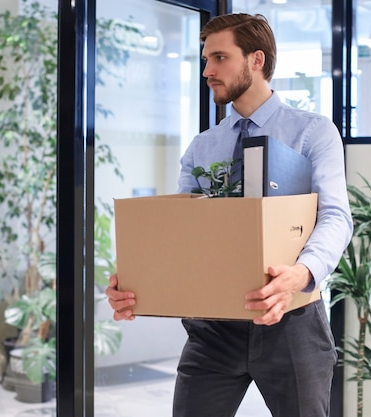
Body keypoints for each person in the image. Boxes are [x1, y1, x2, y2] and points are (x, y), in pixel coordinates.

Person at [106, 13, 353, 417]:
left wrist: (302, 273)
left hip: (291, 321)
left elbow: (336, 217)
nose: (207, 70)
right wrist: (137, 281)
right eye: (206, 59)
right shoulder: (203, 147)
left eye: (219, 57)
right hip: (213, 330)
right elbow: (180, 234)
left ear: (256, 60)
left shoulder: (312, 132)